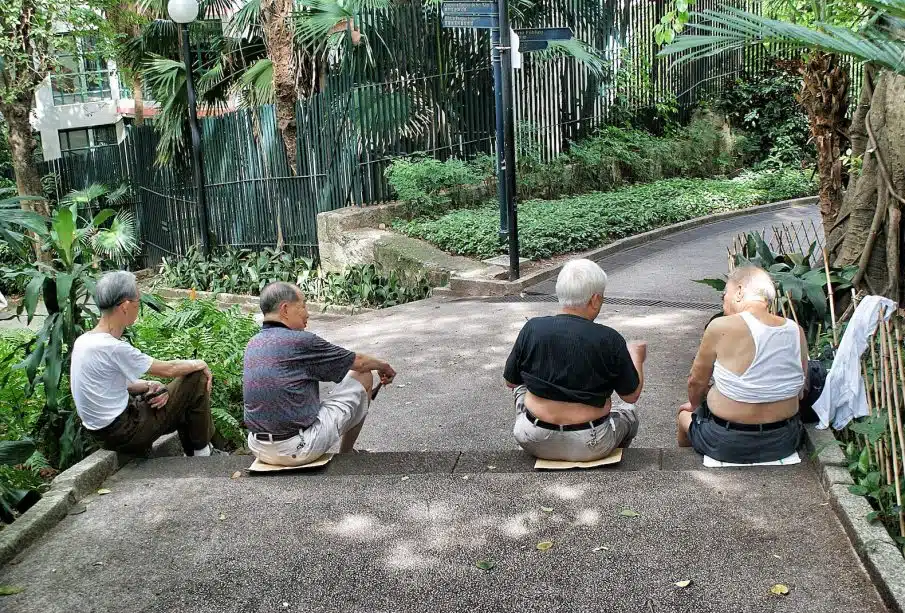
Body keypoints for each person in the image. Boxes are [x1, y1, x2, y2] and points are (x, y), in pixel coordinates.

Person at [504, 259, 647, 462]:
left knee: (520, 389)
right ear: (595, 299)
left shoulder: (532, 328)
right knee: (629, 413)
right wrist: (637, 358)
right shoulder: (609, 339)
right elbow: (631, 396)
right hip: (591, 443)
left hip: (532, 437)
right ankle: (613, 459)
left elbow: (511, 381)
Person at [243, 282, 396, 466]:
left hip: (258, 447)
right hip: (296, 449)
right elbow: (360, 362)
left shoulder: (253, 343)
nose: (307, 313)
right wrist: (384, 366)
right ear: (285, 309)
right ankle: (347, 454)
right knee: (363, 375)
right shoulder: (301, 341)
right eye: (303, 306)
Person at [71, 271, 217, 457]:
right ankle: (203, 455)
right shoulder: (112, 347)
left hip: (103, 433)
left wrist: (149, 385)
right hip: (125, 432)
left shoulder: (84, 341)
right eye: (138, 302)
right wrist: (201, 362)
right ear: (125, 306)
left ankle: (200, 452)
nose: (139, 307)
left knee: (178, 397)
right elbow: (168, 369)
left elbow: (108, 386)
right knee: (196, 377)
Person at [677, 266, 807, 463]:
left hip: (725, 442)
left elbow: (696, 381)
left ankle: (682, 462)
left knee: (684, 415)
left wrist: (695, 405)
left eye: (725, 294)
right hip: (785, 440)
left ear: (739, 292)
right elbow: (801, 388)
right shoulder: (796, 331)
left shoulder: (720, 326)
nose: (724, 301)